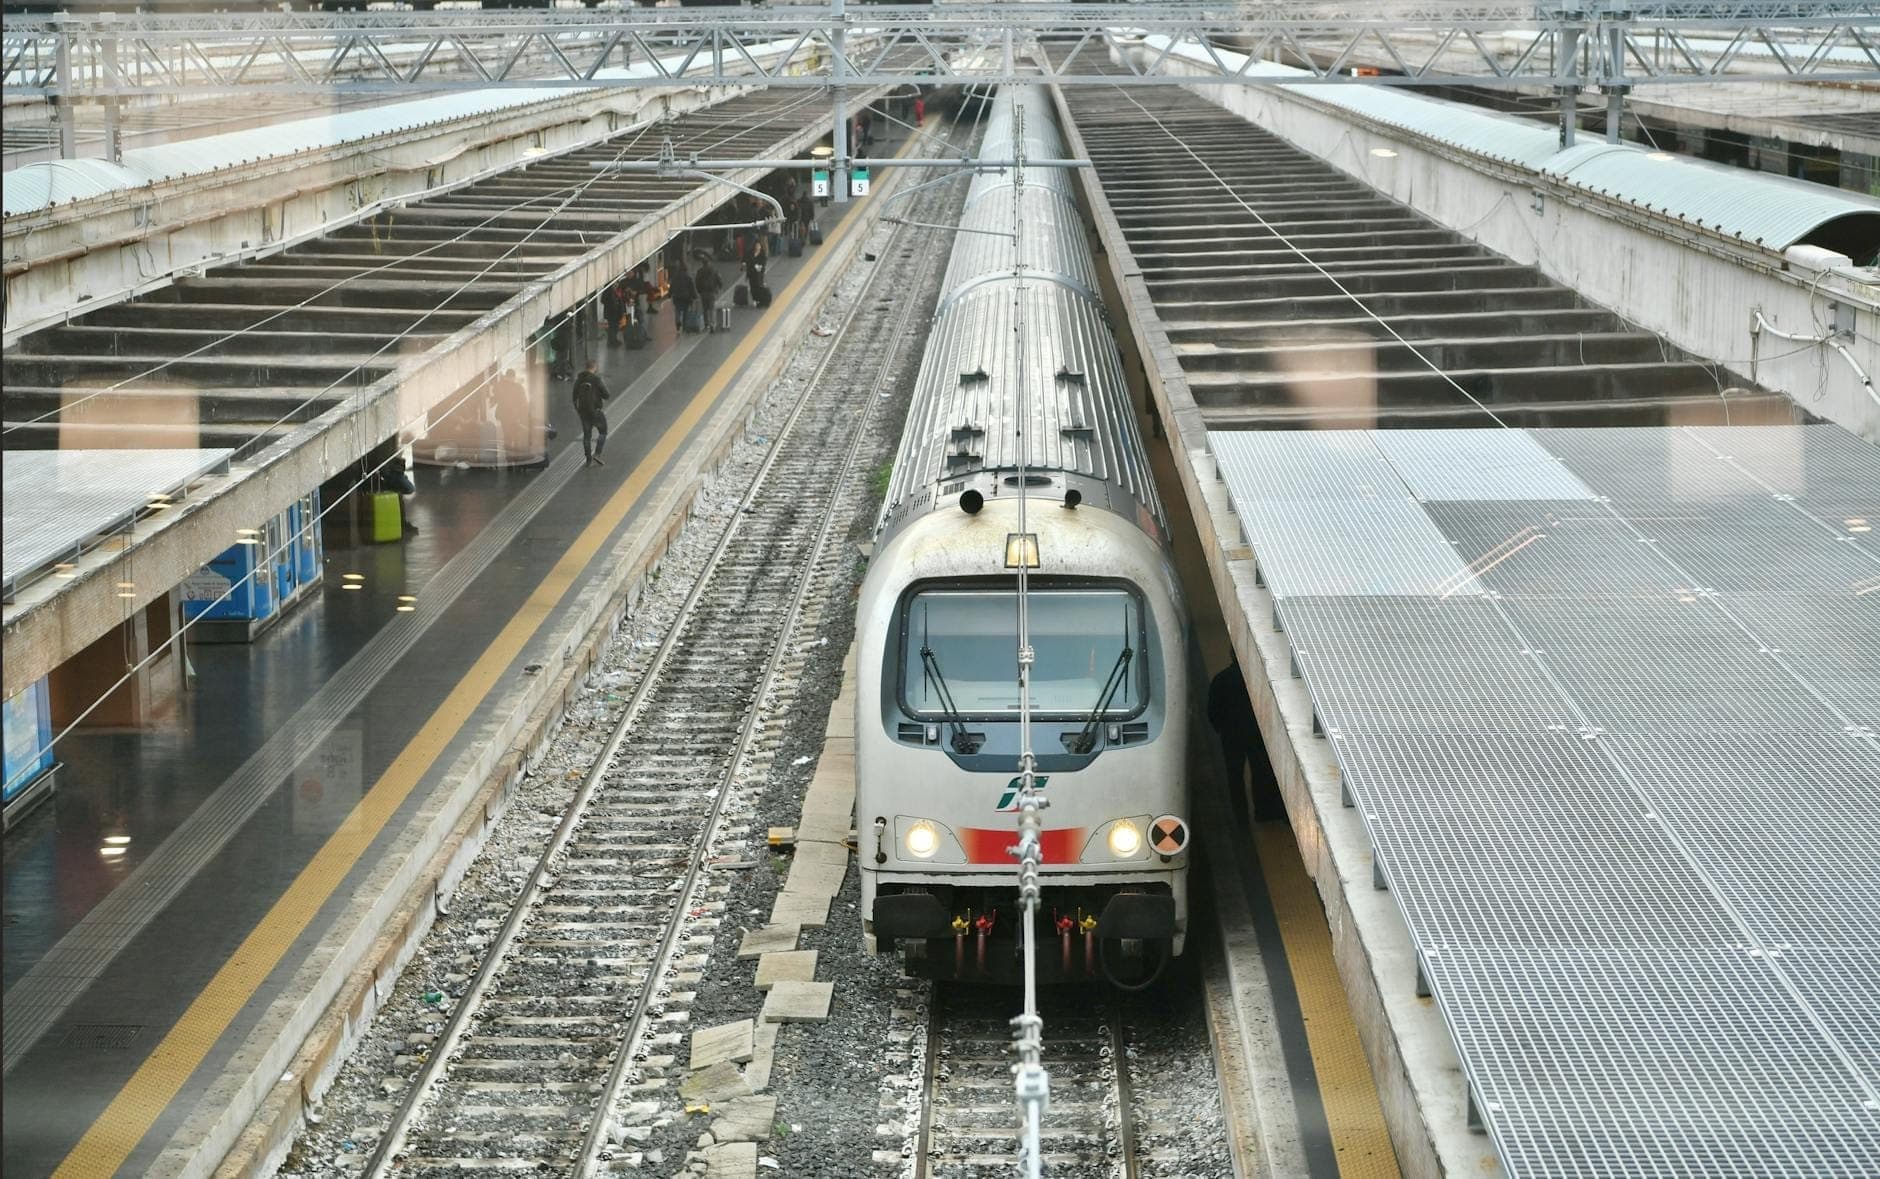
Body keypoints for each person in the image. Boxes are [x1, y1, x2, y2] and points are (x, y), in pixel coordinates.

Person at [1208, 660, 1282, 823]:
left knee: (1235, 776)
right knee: (1261, 772)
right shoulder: (1257, 678)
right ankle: (1263, 813)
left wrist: (1220, 728)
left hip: (1230, 736)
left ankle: (1240, 817)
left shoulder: (1220, 679)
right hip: (1256, 734)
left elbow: (1212, 709)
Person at [571, 358, 610, 467]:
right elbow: (607, 395)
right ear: (595, 367)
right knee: (603, 432)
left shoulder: (579, 380)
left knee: (587, 436)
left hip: (583, 412)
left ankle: (588, 459)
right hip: (596, 411)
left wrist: (578, 411)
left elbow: (574, 397)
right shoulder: (596, 379)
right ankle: (597, 454)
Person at [668, 262, 696, 334]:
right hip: (686, 297)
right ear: (686, 269)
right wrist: (694, 296)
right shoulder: (688, 278)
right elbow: (691, 288)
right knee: (685, 312)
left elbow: (671, 287)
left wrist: (669, 294)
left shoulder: (675, 277)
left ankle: (678, 322)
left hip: (677, 297)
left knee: (677, 310)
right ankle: (684, 327)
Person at [695, 260, 723, 331]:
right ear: (709, 263)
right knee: (712, 308)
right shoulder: (714, 271)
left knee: (705, 309)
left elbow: (697, 281)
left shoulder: (700, 271)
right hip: (712, 292)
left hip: (703, 292)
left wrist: (699, 290)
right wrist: (719, 287)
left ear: (703, 264)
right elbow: (719, 279)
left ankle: (706, 324)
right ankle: (712, 324)